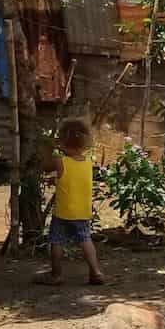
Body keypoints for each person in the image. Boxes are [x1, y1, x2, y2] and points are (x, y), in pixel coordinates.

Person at [38, 118, 105, 286]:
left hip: (63, 212)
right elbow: (72, 178)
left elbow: (50, 164)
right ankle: (96, 272)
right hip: (82, 211)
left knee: (56, 241)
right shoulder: (89, 161)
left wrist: (54, 147)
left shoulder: (60, 161)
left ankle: (56, 274)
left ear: (62, 141)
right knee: (85, 240)